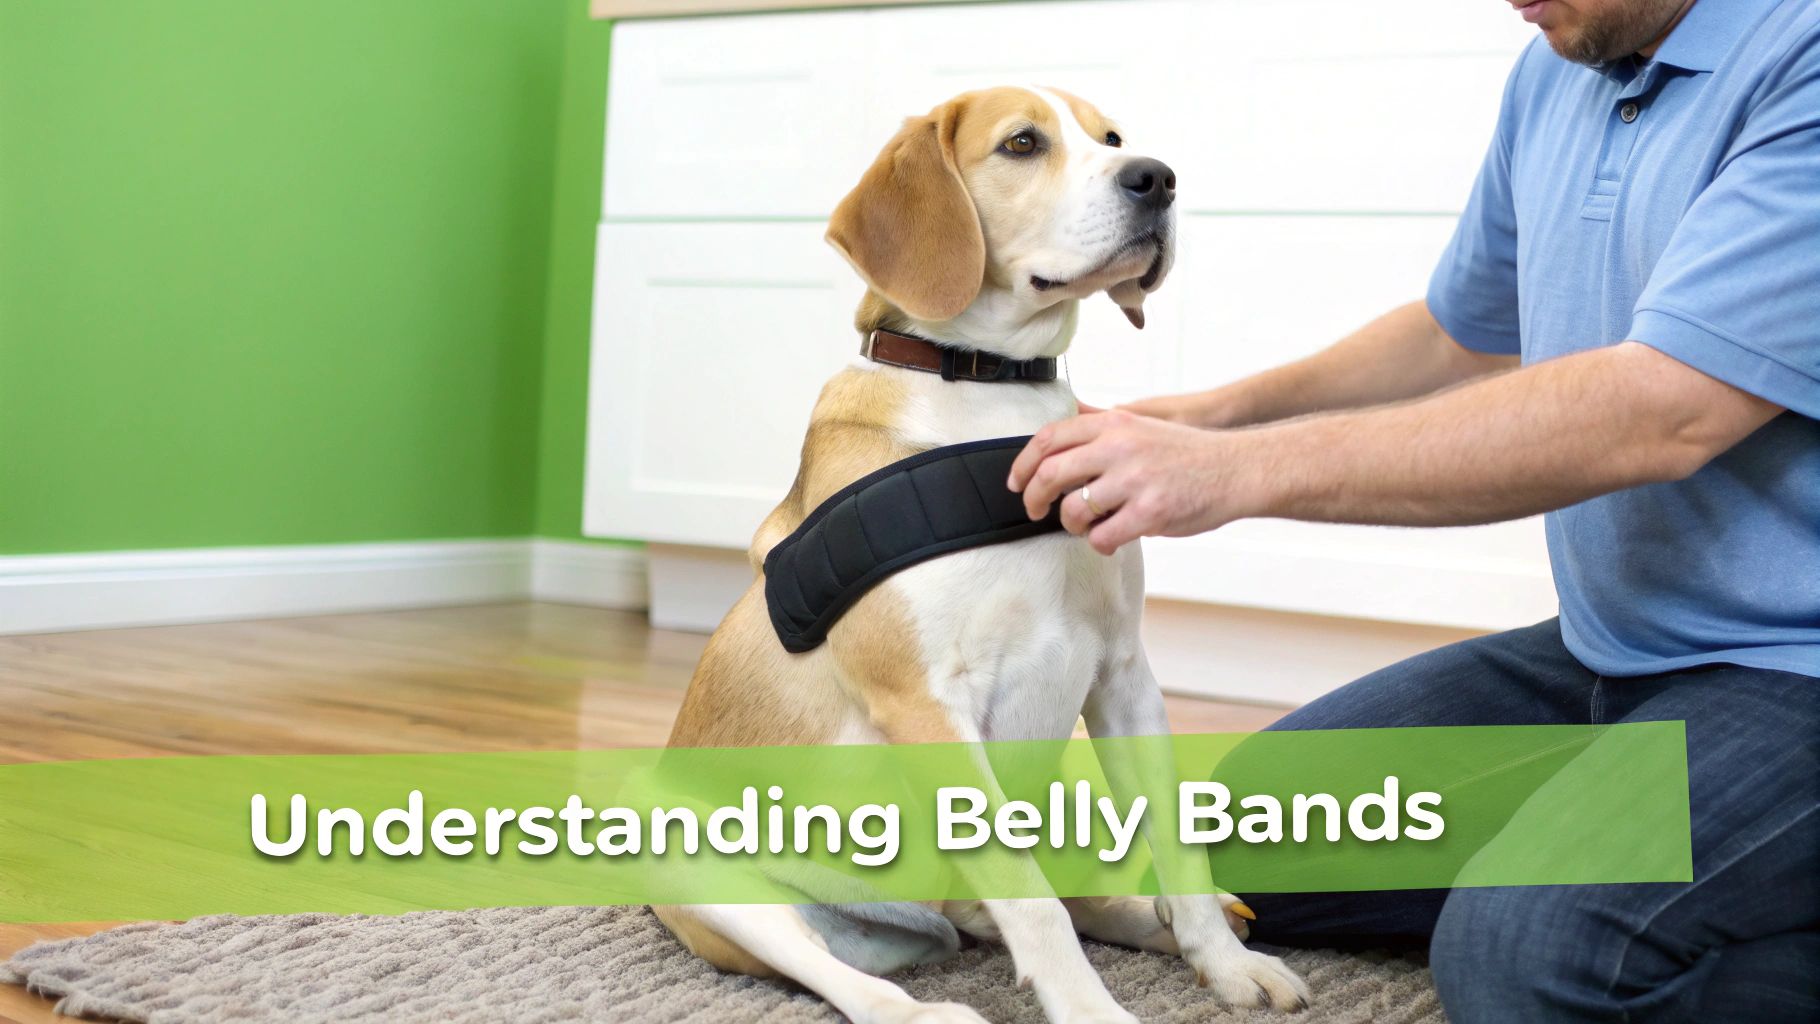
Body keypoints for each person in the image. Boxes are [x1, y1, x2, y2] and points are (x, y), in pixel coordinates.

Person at [1006, 0, 1819, 1020]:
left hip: (1794, 669)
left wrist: (1230, 472)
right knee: (1236, 839)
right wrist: (1206, 416)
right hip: (1614, 650)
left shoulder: (1802, 58)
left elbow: (1661, 409)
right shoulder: (1559, 63)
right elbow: (1455, 330)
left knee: (1523, 961)